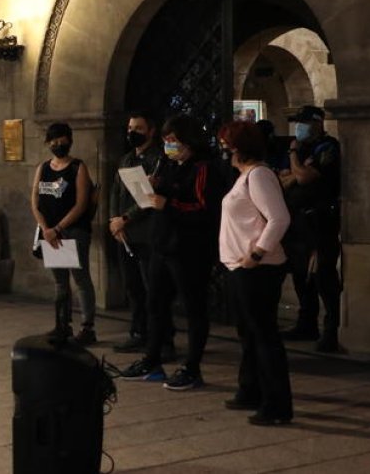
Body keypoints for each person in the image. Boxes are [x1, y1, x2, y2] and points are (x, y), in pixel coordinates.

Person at [120, 115, 229, 390]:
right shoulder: (168, 165)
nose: (168, 146)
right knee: (155, 303)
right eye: (166, 141)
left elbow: (204, 209)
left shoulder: (203, 168)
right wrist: (153, 187)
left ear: (188, 140)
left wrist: (167, 204)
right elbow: (162, 195)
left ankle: (192, 366)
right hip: (162, 245)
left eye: (173, 141)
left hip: (189, 249)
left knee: (193, 308)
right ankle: (151, 359)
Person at [218, 121, 294, 426]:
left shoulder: (259, 175)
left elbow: (279, 218)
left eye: (225, 144)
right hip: (239, 267)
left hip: (257, 269)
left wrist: (257, 253)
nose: (223, 150)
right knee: (248, 334)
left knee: (264, 336)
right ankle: (250, 389)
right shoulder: (245, 177)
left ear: (237, 147)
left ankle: (277, 405)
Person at [278, 105, 343, 353]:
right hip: (298, 222)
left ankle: (332, 329)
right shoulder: (302, 150)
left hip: (321, 221)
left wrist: (295, 161)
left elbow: (304, 178)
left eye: (304, 122)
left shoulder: (327, 148)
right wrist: (298, 169)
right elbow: (283, 181)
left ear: (317, 123)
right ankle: (306, 323)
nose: (299, 127)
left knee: (323, 276)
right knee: (300, 274)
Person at [108, 111, 173, 354]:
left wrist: (125, 219)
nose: (132, 132)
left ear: (150, 131)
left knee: (154, 290)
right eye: (130, 128)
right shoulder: (126, 160)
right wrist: (114, 219)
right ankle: (138, 332)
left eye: (138, 128)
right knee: (133, 287)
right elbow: (116, 191)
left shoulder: (158, 159)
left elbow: (147, 199)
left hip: (146, 233)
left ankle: (164, 339)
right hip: (125, 234)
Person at [31, 123, 97, 344]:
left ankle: (87, 327)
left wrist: (58, 228)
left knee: (80, 278)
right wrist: (46, 228)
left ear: (69, 140)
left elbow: (81, 204)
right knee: (60, 281)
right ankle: (62, 324)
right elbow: (35, 201)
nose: (57, 144)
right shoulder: (43, 168)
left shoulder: (78, 167)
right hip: (50, 232)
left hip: (73, 230)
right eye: (53, 140)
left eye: (61, 139)